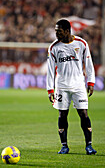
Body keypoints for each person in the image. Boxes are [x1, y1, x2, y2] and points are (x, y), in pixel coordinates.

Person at [46, 19, 97, 155]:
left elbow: (89, 64)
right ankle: (64, 146)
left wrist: (91, 82)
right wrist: (50, 89)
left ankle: (89, 146)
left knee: (84, 114)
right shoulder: (54, 47)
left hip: (79, 85)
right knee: (62, 115)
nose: (56, 34)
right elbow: (50, 70)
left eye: (59, 32)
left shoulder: (81, 44)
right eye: (56, 31)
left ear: (67, 31)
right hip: (61, 86)